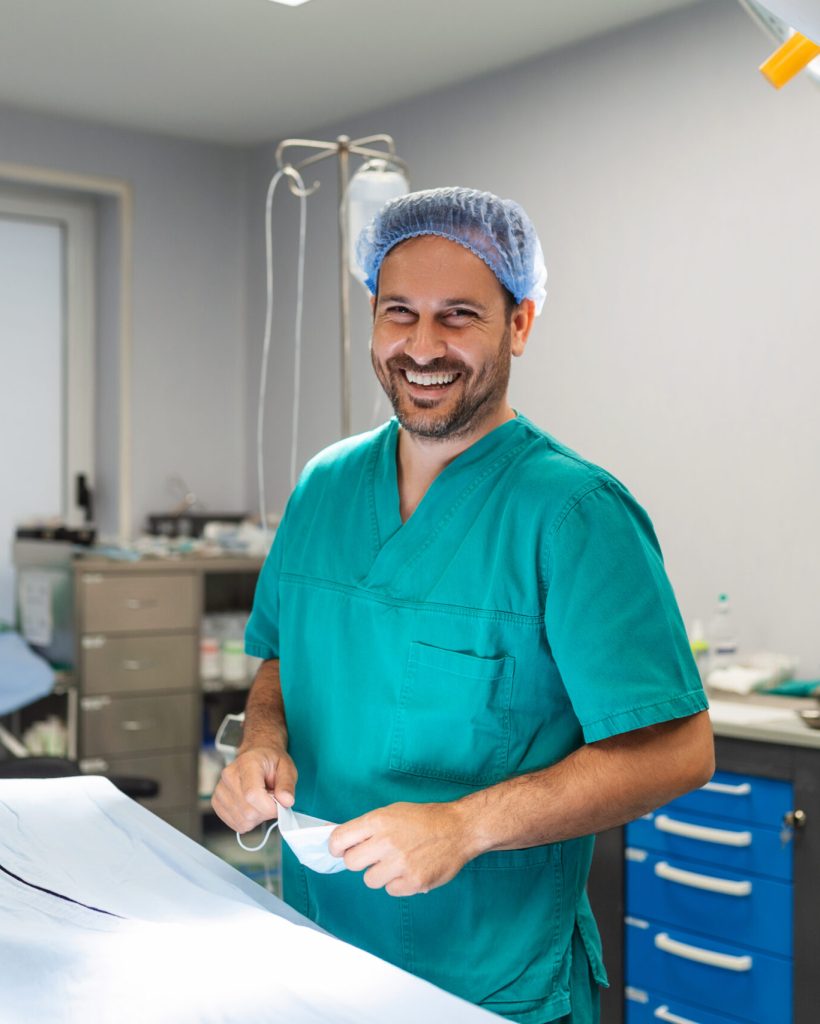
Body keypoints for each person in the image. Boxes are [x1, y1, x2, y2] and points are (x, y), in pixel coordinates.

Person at [212, 187, 714, 1024]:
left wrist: (465, 826)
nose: (423, 346)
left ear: (519, 324)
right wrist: (261, 744)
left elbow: (679, 752)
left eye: (460, 317)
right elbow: (281, 658)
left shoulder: (573, 514)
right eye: (400, 312)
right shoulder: (324, 487)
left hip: (489, 983)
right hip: (314, 955)